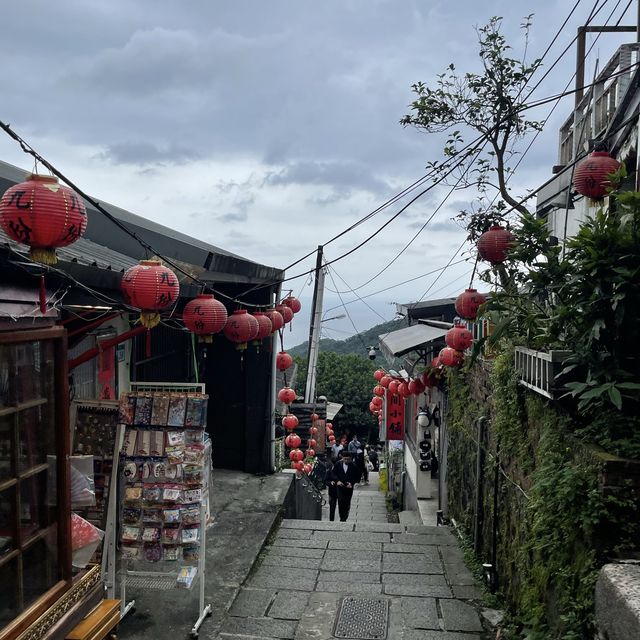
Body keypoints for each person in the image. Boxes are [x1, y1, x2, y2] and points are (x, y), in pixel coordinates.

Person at [330, 449, 361, 522]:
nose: (346, 461)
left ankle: (345, 516)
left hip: (349, 486)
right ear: (342, 458)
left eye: (348, 459)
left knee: (347, 502)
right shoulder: (338, 464)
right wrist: (337, 481)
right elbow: (333, 473)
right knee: (340, 501)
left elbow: (358, 476)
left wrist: (352, 483)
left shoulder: (353, 466)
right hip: (340, 485)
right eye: (345, 459)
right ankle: (342, 517)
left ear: (351, 459)